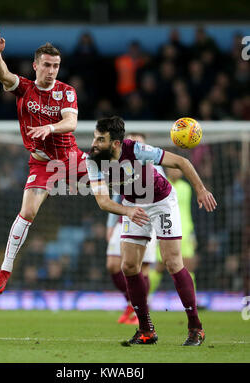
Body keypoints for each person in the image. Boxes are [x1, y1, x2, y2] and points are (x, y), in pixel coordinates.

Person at [86, 116, 217, 346]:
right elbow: (103, 202)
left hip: (161, 202)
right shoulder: (93, 160)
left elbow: (182, 163)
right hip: (133, 207)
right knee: (128, 266)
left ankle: (195, 327)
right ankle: (146, 330)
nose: (94, 143)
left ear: (116, 143)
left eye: (101, 139)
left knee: (172, 262)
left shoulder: (136, 149)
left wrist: (201, 190)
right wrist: (127, 211)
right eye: (95, 137)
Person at [0, 30, 87, 293]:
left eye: (55, 66)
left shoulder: (66, 92)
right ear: (36, 66)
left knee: (116, 181)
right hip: (42, 163)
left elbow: (71, 122)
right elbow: (3, 75)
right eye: (46, 65)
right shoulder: (24, 88)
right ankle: (6, 269)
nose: (51, 71)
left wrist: (50, 129)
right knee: (28, 212)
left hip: (70, 158)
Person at [106, 133, 165, 325]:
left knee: (142, 268)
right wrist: (110, 224)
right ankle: (131, 303)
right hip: (124, 219)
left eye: (138, 141)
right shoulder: (121, 164)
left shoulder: (155, 166)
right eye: (132, 140)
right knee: (113, 265)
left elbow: (163, 198)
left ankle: (140, 311)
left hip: (148, 221)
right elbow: (116, 196)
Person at [149, 167, 198, 296]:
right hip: (166, 230)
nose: (176, 172)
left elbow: (187, 211)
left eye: (178, 169)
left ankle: (192, 299)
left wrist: (192, 233)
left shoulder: (186, 188)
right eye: (173, 169)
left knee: (188, 267)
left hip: (185, 231)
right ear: (167, 171)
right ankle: (146, 296)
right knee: (159, 267)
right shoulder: (162, 185)